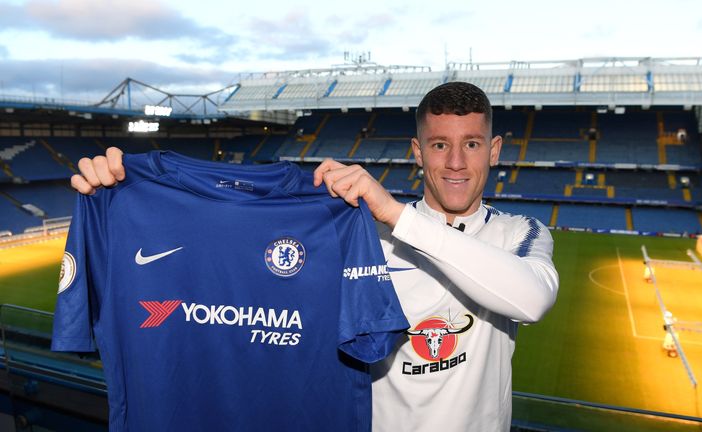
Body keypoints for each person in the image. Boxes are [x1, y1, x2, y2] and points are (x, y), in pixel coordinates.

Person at [71, 82, 559, 432]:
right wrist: (116, 193)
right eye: (439, 145)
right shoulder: (364, 241)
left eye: (471, 144)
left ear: (493, 150)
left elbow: (532, 297)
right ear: (417, 151)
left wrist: (396, 214)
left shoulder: (520, 233)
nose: (456, 162)